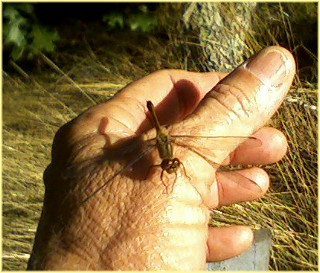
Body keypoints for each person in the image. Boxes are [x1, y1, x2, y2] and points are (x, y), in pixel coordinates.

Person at [27, 46, 295, 270]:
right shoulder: (152, 153)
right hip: (154, 123)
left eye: (171, 164)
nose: (172, 167)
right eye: (171, 165)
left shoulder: (172, 157)